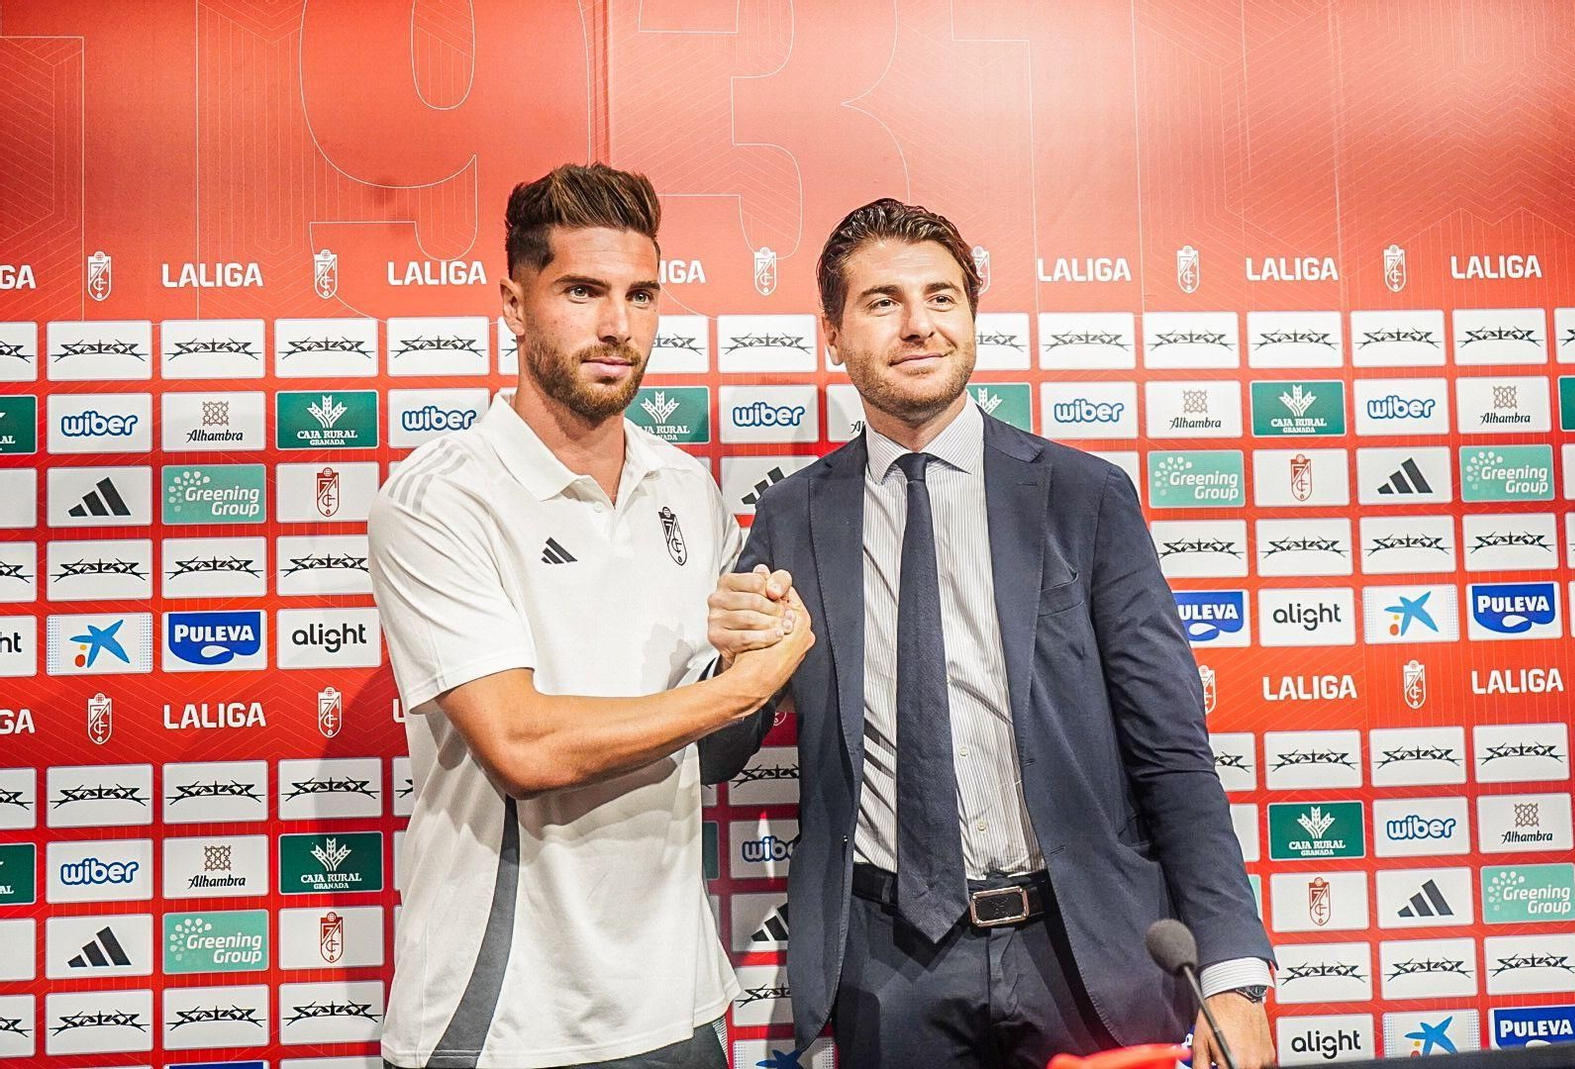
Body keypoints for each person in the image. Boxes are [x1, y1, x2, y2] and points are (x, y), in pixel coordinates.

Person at [702, 198, 1275, 1069]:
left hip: (1085, 950)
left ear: (971, 316)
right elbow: (718, 752)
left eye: (941, 297)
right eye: (883, 301)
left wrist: (1232, 972)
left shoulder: (1084, 497)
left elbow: (1171, 749)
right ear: (833, 335)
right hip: (888, 966)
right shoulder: (792, 516)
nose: (918, 324)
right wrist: (733, 663)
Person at [369, 162, 812, 1069]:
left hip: (678, 1004)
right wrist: (742, 689)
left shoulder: (685, 487)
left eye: (640, 295)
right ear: (514, 304)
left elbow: (709, 752)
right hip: (505, 1023)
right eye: (582, 291)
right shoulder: (440, 498)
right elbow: (523, 748)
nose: (618, 325)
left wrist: (752, 657)